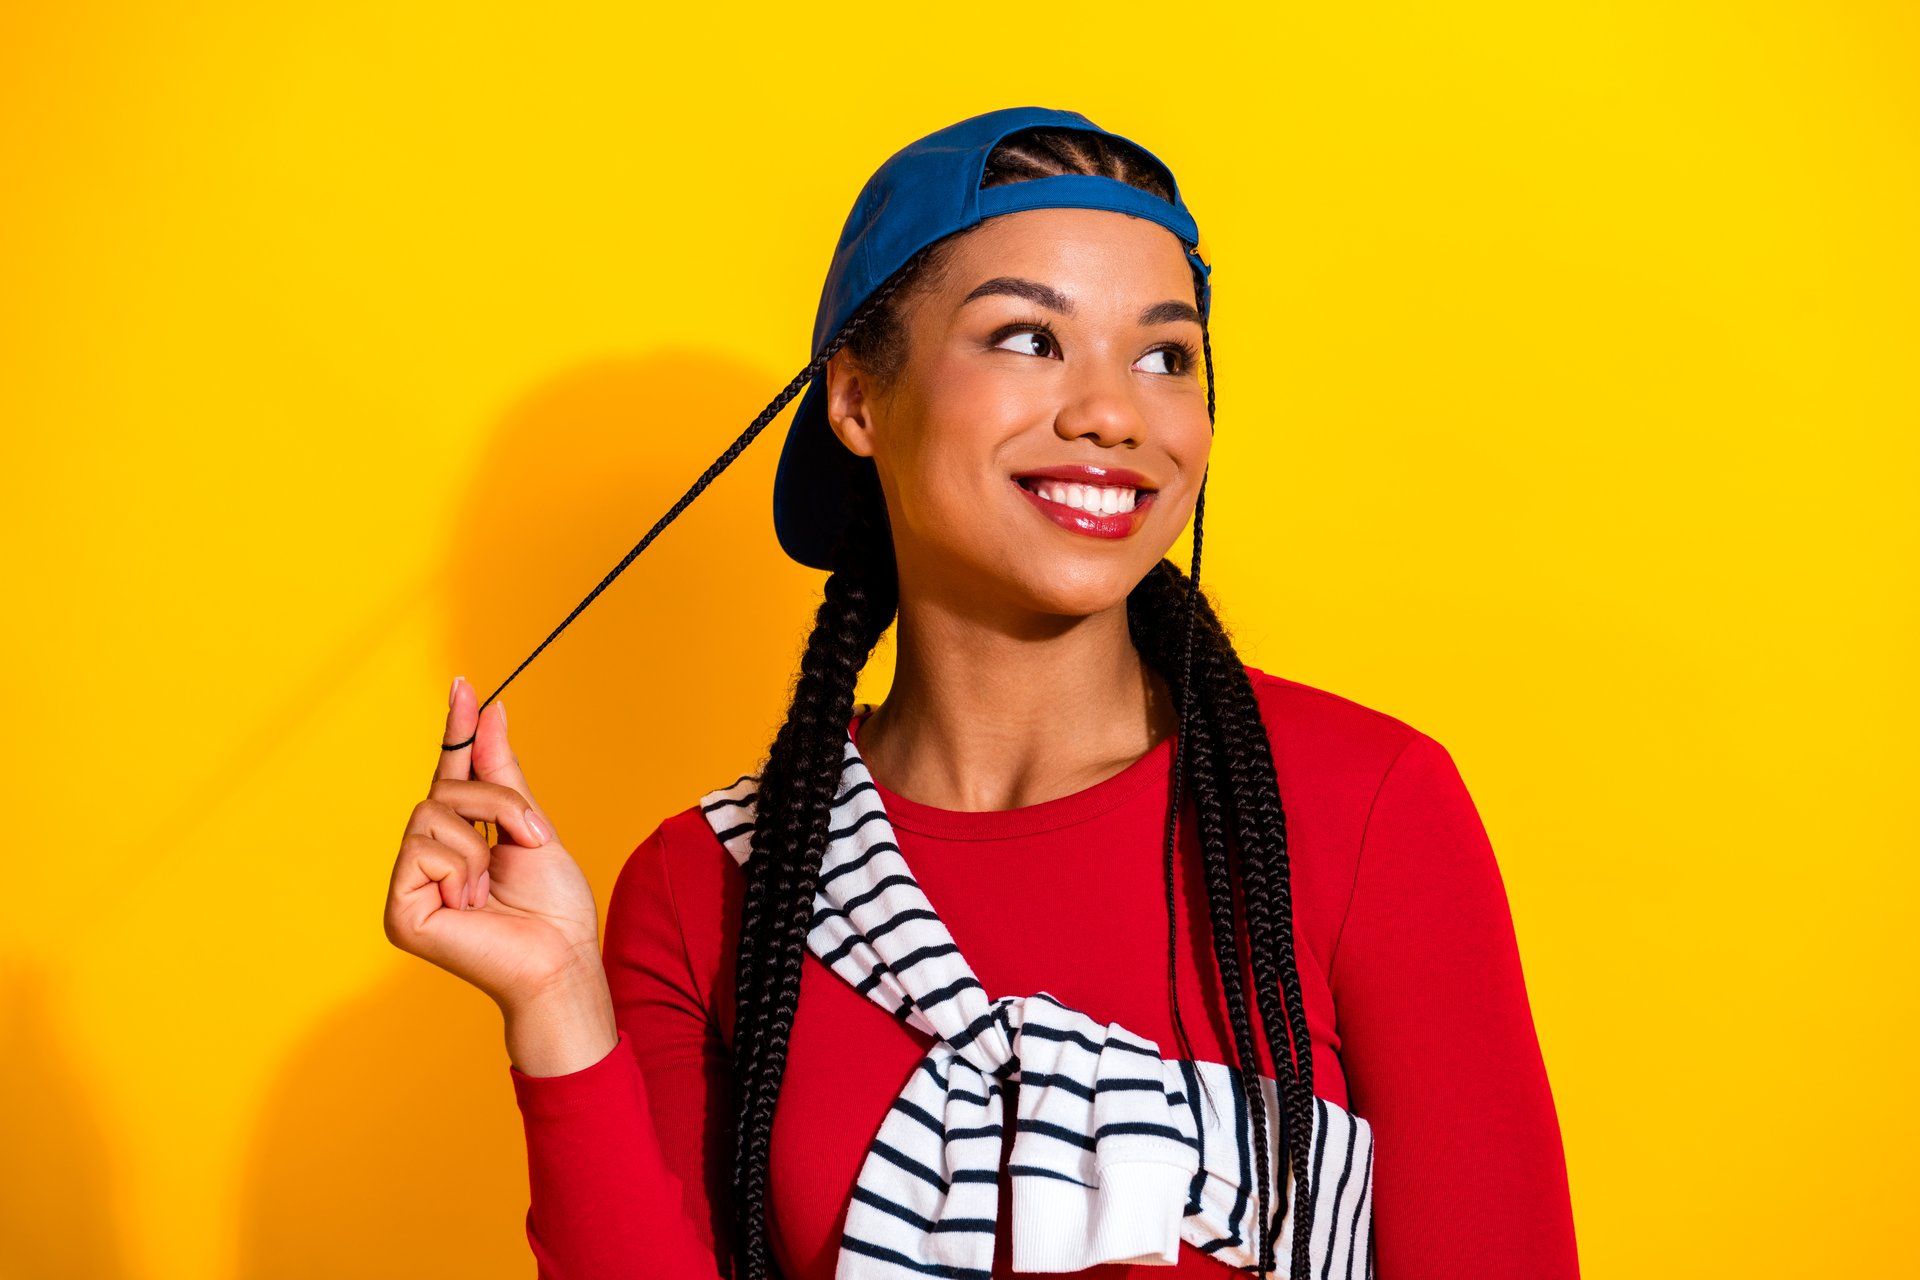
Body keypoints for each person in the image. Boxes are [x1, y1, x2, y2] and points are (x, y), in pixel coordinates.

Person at [382, 107, 1580, 1280]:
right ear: (858, 400)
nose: (1113, 412)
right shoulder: (709, 887)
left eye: (1165, 356)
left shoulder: (1366, 806)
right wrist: (555, 1003)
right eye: (1027, 337)